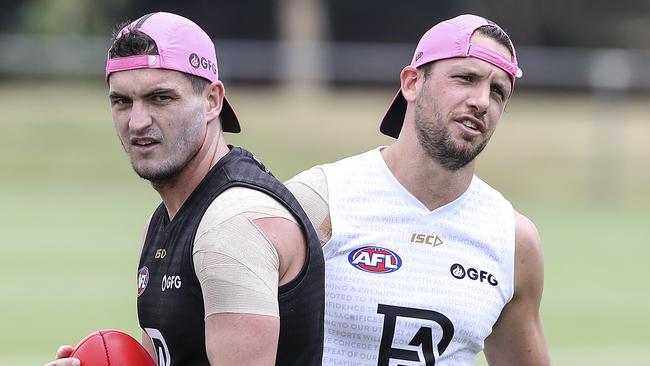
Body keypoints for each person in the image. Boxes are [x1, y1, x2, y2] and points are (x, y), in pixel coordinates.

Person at [46, 12, 323, 366]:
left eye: (160, 98)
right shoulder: (165, 219)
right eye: (122, 102)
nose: (138, 121)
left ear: (212, 100)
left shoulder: (232, 225)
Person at [285, 14, 550, 365]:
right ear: (412, 83)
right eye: (465, 78)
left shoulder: (513, 240)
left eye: (498, 91)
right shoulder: (319, 199)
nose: (482, 101)